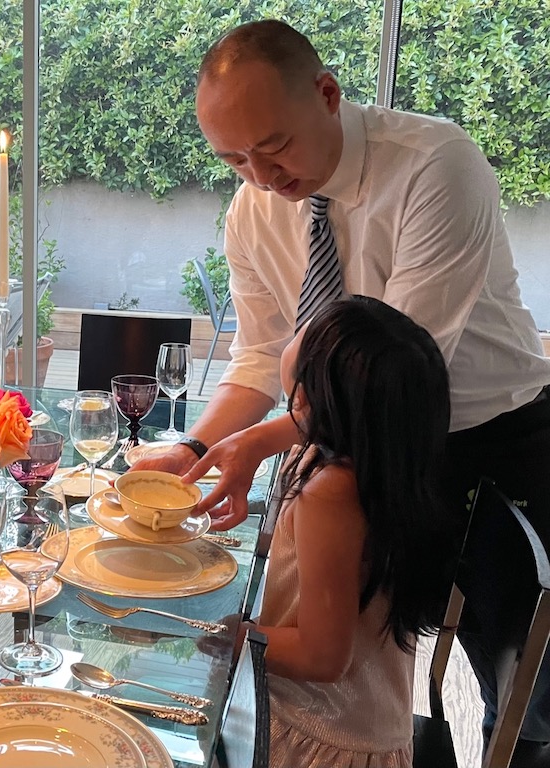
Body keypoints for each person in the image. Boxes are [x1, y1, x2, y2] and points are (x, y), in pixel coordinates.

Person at [133, 18, 550, 759]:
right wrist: (198, 448)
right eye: (233, 159)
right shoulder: (254, 210)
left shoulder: (435, 165)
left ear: (326, 94)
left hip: (490, 440)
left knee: (521, 681)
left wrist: (260, 443)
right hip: (349, 448)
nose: (261, 177)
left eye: (273, 147)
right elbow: (262, 352)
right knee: (367, 638)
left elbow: (398, 370)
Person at [251, 296, 452, 766]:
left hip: (317, 740)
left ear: (315, 394)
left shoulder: (332, 492)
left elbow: (322, 658)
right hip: (370, 728)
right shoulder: (384, 458)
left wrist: (225, 636)